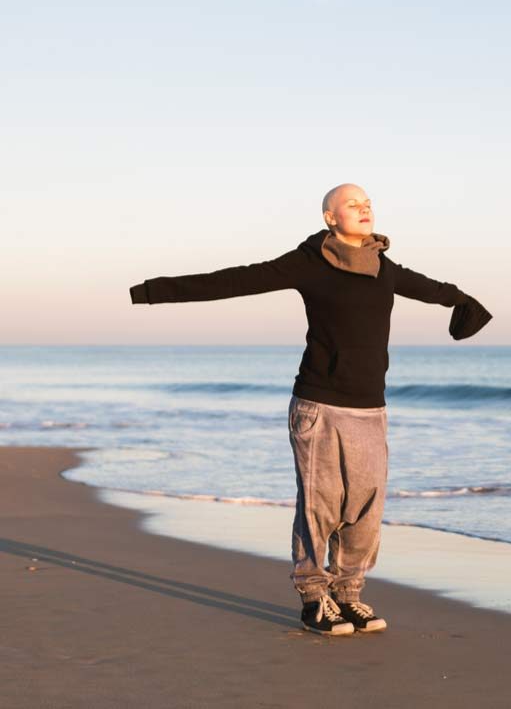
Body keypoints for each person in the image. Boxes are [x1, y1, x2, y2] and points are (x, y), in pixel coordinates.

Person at [129, 183, 492, 636]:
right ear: (330, 217)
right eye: (352, 205)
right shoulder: (310, 262)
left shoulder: (385, 267)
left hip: (370, 409)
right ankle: (313, 598)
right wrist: (151, 291)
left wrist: (463, 301)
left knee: (365, 510)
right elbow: (239, 279)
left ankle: (348, 594)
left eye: (368, 203)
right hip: (319, 405)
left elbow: (433, 288)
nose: (364, 209)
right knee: (320, 507)